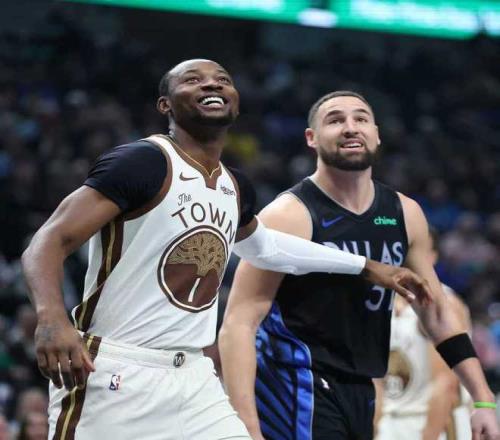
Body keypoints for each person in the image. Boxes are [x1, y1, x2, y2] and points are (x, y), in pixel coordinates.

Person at [21, 61, 430, 440]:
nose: (211, 85)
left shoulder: (233, 185)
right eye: (193, 80)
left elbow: (265, 247)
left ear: (235, 102)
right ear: (165, 105)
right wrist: (52, 318)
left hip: (194, 375)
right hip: (118, 368)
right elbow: (48, 242)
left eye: (222, 81)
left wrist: (366, 266)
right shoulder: (143, 161)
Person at [218, 90, 500, 440]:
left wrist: (483, 399)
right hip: (296, 384)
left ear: (376, 135)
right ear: (311, 138)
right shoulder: (287, 215)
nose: (350, 127)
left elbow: (436, 312)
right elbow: (239, 324)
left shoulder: (404, 213)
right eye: (335, 120)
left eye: (361, 118)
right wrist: (245, 424)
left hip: (362, 387)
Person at [375, 228, 473, 440]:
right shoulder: (381, 302)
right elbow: (377, 381)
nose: (409, 257)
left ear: (432, 257)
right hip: (391, 421)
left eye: (417, 250)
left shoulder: (443, 303)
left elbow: (445, 384)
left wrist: (429, 434)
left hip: (434, 422)